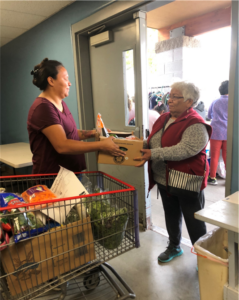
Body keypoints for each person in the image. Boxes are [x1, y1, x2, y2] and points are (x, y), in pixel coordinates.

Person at [134, 82, 212, 263]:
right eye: (169, 96)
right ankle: (174, 246)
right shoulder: (165, 118)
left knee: (194, 221)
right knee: (171, 215)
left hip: (186, 180)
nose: (169, 100)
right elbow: (154, 140)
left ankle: (204, 258)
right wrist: (139, 145)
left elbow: (185, 149)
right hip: (164, 178)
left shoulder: (196, 123)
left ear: (189, 101)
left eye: (175, 97)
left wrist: (154, 154)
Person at [28, 58, 124, 174]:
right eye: (65, 78)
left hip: (71, 173)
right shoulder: (43, 108)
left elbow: (71, 133)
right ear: (51, 81)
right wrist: (101, 145)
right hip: (54, 178)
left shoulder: (60, 103)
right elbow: (62, 145)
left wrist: (94, 133)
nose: (69, 83)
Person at [207, 80, 229, 185]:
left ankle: (212, 178)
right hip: (229, 131)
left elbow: (209, 115)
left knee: (214, 155)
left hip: (215, 131)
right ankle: (229, 179)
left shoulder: (215, 101)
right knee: (227, 156)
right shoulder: (234, 101)